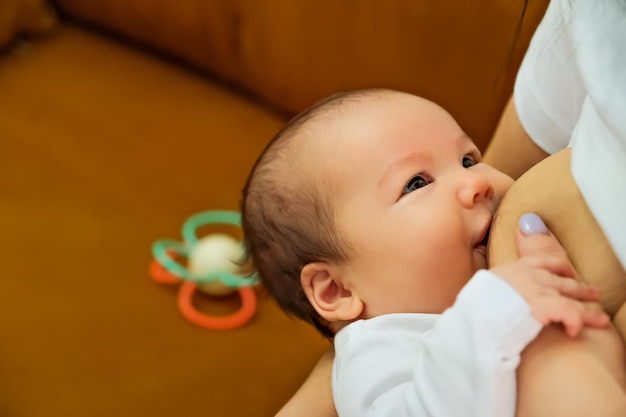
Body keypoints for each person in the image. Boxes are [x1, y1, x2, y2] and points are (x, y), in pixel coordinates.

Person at [264, 0, 626, 415]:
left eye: (469, 159)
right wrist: (494, 308)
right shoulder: (377, 356)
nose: (478, 183)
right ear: (337, 289)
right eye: (416, 183)